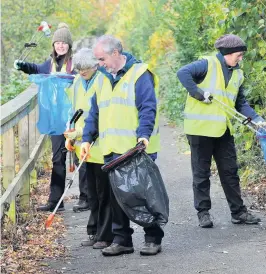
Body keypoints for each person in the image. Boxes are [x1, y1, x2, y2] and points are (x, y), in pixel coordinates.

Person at [81, 35, 163, 256]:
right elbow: (94, 113)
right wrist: (87, 139)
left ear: (115, 53)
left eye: (101, 58)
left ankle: (153, 237)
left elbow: (148, 107)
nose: (99, 64)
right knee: (117, 195)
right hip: (111, 148)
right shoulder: (101, 78)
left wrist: (143, 135)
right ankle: (122, 240)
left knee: (142, 195)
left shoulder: (139, 74)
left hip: (136, 149)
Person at [177, 34, 265, 228]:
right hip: (200, 130)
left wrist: (258, 120)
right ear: (227, 53)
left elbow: (240, 103)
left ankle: (238, 212)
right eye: (239, 55)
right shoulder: (206, 64)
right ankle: (203, 213)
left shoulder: (238, 74)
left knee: (230, 172)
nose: (241, 58)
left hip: (223, 130)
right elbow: (182, 73)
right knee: (201, 173)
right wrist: (199, 94)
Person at [14, 23, 89, 212]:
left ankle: (86, 197)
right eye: (58, 42)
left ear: (69, 45)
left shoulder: (76, 62)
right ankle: (56, 200)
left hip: (75, 116)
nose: (61, 45)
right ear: (54, 45)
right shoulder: (50, 63)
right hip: (57, 118)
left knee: (81, 156)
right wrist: (23, 67)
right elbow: (38, 69)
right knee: (58, 158)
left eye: (64, 42)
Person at [64, 48, 113, 249]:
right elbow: (73, 109)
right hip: (82, 148)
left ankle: (105, 235)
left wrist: (80, 134)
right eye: (79, 68)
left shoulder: (103, 81)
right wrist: (71, 133)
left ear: (94, 65)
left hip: (100, 146)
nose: (82, 72)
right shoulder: (77, 81)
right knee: (91, 194)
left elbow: (101, 116)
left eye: (85, 68)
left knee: (104, 195)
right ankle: (93, 232)